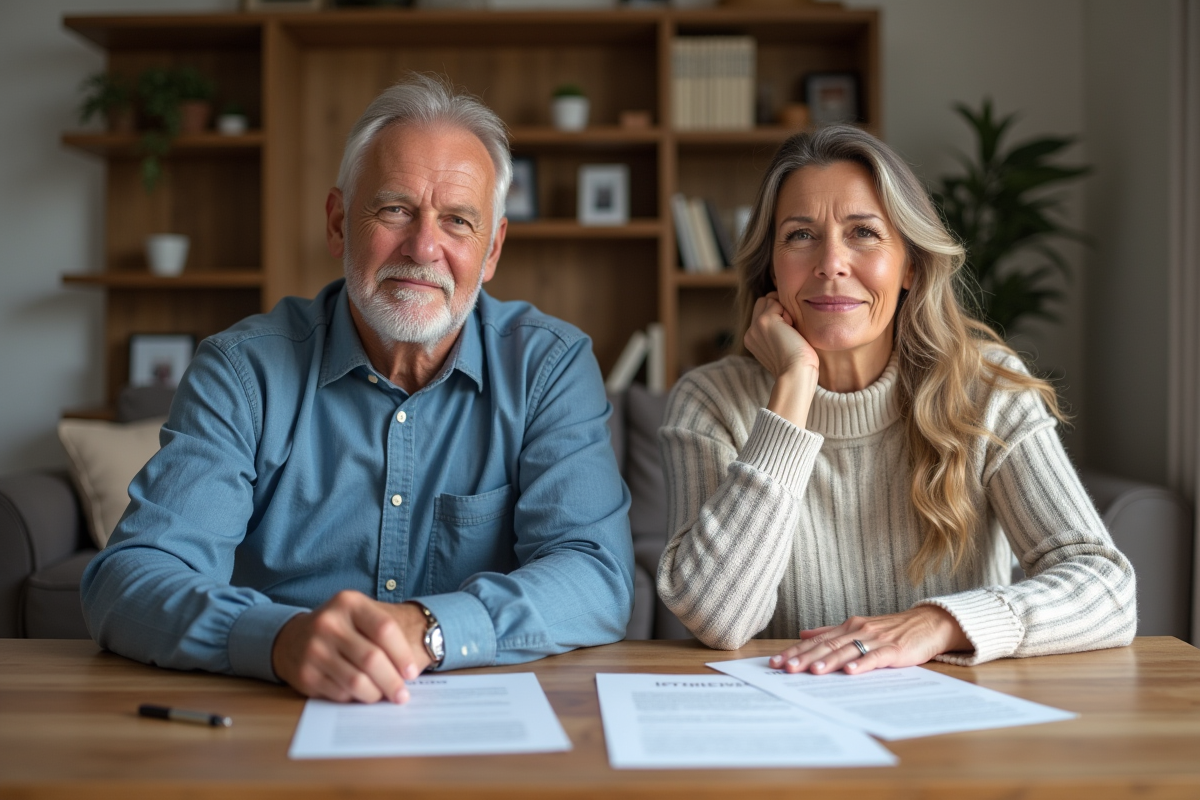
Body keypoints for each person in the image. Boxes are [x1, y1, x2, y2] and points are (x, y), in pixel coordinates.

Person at [82, 74, 634, 704]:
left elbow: (595, 575)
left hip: (479, 717)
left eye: (457, 221)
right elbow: (128, 579)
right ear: (340, 222)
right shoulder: (242, 371)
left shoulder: (549, 367)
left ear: (491, 252)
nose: (424, 247)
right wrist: (278, 638)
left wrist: (428, 630)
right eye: (395, 209)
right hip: (277, 709)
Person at [657, 124, 1135, 675]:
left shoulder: (986, 389)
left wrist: (938, 624)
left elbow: (1108, 589)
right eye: (799, 235)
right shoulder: (710, 400)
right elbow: (718, 619)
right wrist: (793, 384)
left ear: (909, 264)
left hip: (956, 731)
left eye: (863, 232)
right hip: (787, 731)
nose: (831, 263)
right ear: (771, 269)